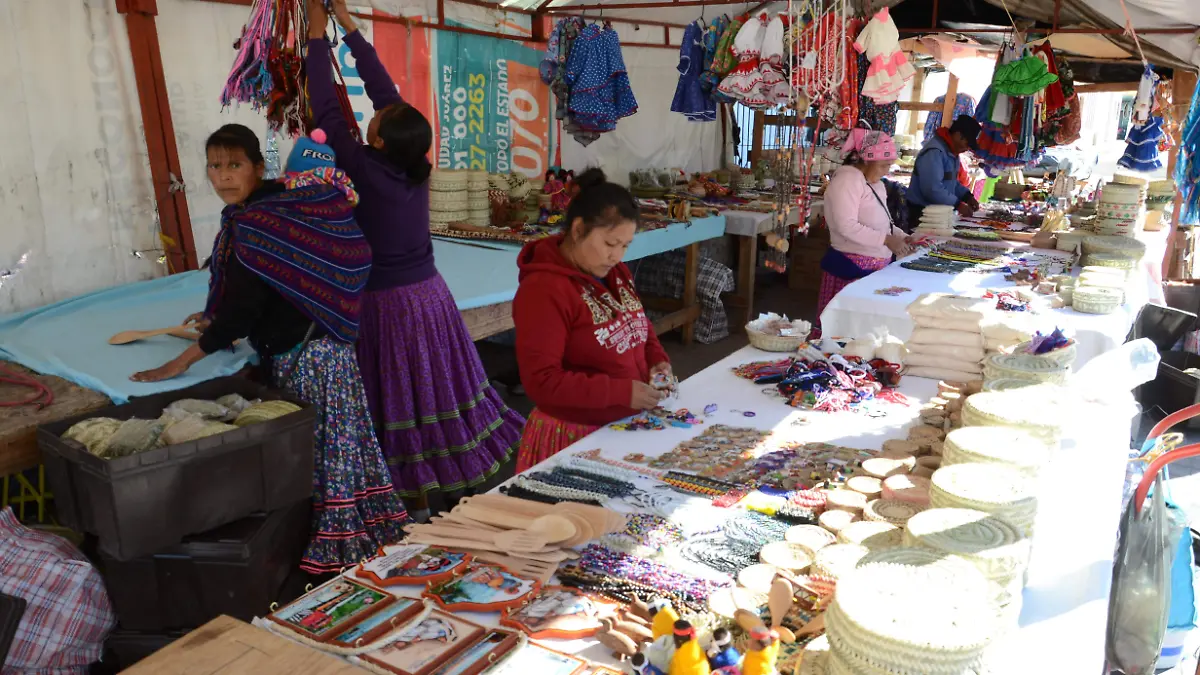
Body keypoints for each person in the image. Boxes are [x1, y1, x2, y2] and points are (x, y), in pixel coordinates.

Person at [131, 124, 409, 572]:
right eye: (215, 166)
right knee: (342, 447)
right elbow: (263, 287)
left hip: (310, 360)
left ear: (259, 168)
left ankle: (341, 550)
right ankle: (364, 529)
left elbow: (241, 311)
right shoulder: (278, 208)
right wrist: (215, 316)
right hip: (330, 349)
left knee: (322, 452)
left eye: (234, 165)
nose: (223, 176)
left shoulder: (257, 225)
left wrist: (180, 361)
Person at [307, 0, 524, 519]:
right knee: (433, 393)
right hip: (430, 295)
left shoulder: (359, 164)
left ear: (377, 138)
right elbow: (386, 93)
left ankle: (413, 499)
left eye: (376, 119)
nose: (375, 110)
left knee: (402, 397)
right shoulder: (414, 164)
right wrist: (348, 25)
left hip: (386, 305)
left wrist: (318, 37)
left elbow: (324, 104)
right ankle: (447, 485)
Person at [512, 169, 671, 471]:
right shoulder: (544, 290)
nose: (617, 255)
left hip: (622, 425)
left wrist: (656, 360)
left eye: (625, 246)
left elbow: (638, 325)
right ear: (578, 229)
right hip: (574, 437)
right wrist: (622, 392)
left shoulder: (615, 272)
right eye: (610, 244)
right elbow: (542, 382)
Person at [817, 129, 912, 326]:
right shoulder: (847, 179)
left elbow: (884, 221)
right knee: (845, 330)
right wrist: (886, 240)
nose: (887, 171)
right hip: (851, 267)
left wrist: (904, 237)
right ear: (867, 160)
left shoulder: (874, 183)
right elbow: (846, 225)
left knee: (865, 331)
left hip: (875, 266)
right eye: (884, 165)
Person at [906, 114, 981, 223]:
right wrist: (958, 205)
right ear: (958, 135)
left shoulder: (951, 152)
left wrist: (967, 196)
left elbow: (951, 182)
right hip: (921, 215)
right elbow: (932, 189)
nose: (967, 149)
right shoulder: (935, 152)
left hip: (937, 214)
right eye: (967, 144)